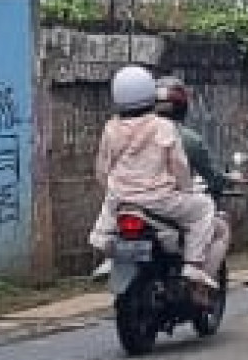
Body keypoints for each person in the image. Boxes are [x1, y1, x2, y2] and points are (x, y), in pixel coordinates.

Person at [87, 64, 219, 289]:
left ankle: (110, 258)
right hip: (160, 200)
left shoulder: (111, 128)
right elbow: (179, 165)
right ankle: (193, 265)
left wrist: (112, 189)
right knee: (204, 208)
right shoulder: (164, 127)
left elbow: (102, 168)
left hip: (121, 198)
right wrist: (185, 190)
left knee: (106, 223)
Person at [154, 75, 232, 282]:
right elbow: (210, 176)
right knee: (217, 224)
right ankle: (198, 277)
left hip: (134, 202)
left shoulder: (134, 133)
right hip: (169, 203)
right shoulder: (187, 139)